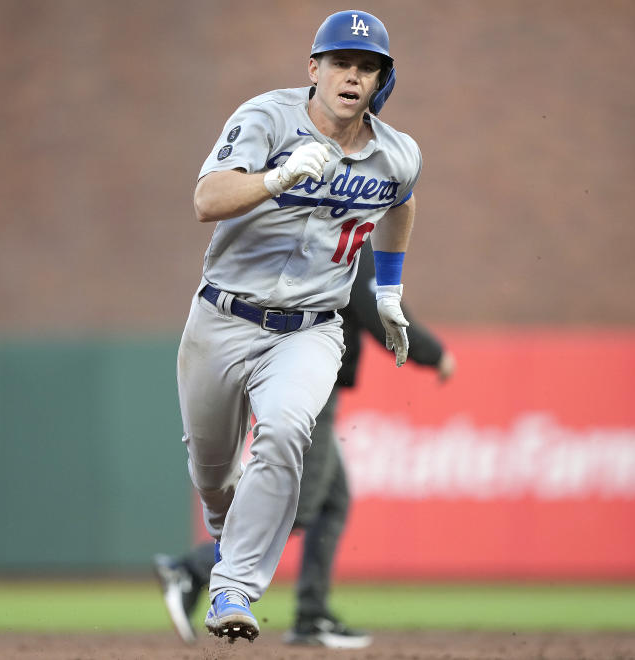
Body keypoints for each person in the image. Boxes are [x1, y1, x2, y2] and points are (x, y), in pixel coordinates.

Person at [175, 9, 422, 643]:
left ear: (380, 82)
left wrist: (388, 289)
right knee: (212, 475)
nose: (352, 75)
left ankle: (234, 591)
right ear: (314, 68)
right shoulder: (265, 117)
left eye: (368, 67)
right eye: (341, 62)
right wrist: (278, 177)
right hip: (223, 318)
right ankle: (223, 530)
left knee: (285, 430)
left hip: (311, 328)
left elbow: (402, 199)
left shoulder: (395, 154)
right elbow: (207, 199)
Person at [158, 241, 456, 648]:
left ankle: (312, 616)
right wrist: (435, 354)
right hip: (305, 381)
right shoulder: (351, 237)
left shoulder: (331, 230)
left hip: (302, 374)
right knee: (296, 504)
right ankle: (194, 569)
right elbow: (375, 312)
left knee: (332, 502)